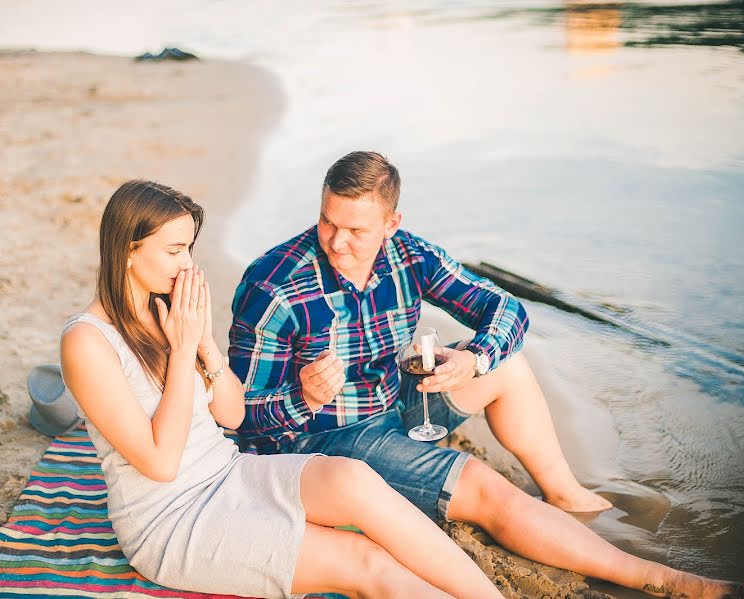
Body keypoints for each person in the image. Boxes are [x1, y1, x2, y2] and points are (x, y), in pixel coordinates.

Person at [228, 152, 744, 598]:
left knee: (509, 367)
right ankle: (663, 579)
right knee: (484, 486)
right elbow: (242, 419)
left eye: (356, 230)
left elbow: (506, 310)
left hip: (399, 399)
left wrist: (474, 358)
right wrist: (302, 395)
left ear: (392, 224)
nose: (337, 242)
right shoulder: (273, 285)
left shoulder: (409, 254)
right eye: (328, 222)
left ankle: (566, 495)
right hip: (329, 435)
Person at [60, 179, 511, 599]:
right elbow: (160, 463)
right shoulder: (87, 342)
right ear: (127, 252)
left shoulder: (170, 311)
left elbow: (232, 416)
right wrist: (182, 352)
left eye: (189, 249)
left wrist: (205, 348)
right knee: (364, 560)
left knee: (352, 479)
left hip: (227, 472)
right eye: (175, 250)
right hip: (171, 520)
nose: (188, 264)